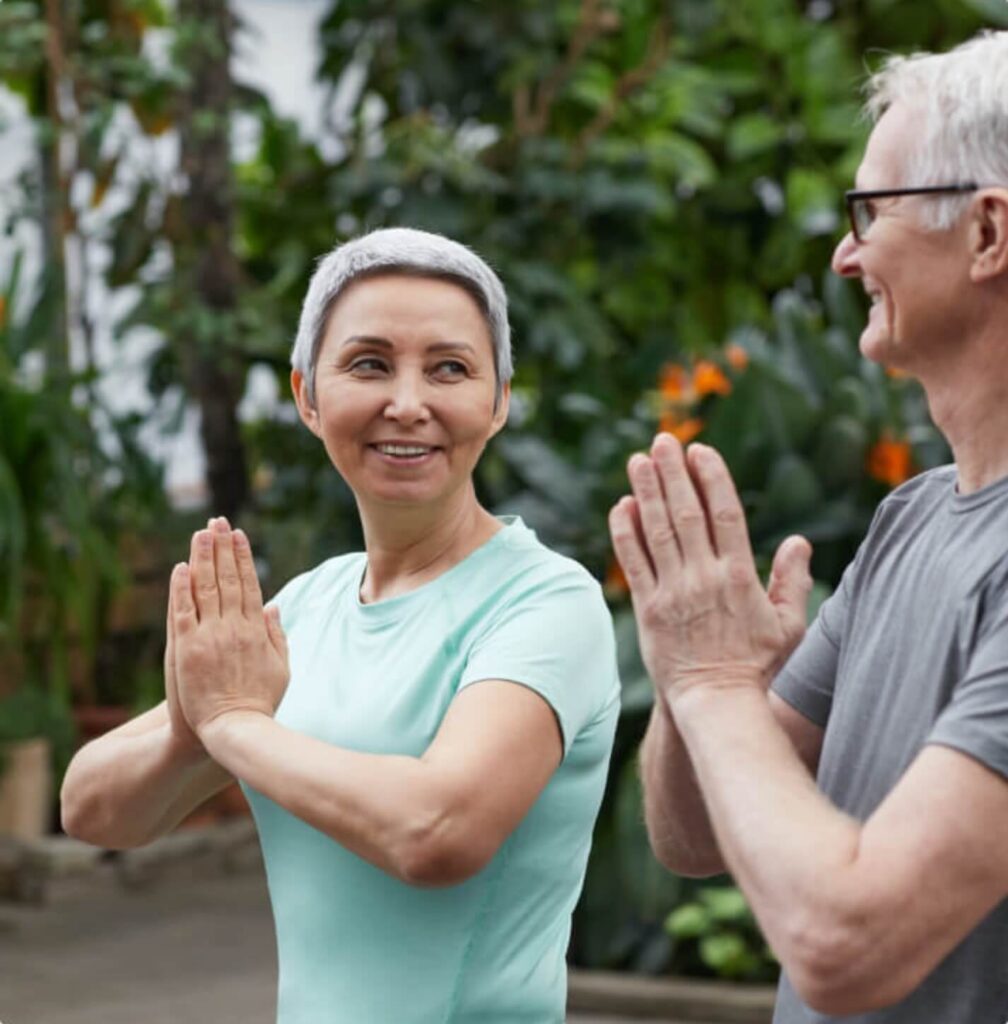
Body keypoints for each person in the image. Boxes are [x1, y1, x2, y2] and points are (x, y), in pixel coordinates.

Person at [61, 228, 620, 1023]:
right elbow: (92, 810)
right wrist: (194, 731)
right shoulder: (313, 605)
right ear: (307, 396)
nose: (408, 403)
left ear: (497, 403)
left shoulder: (545, 603)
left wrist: (232, 723)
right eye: (368, 363)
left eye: (450, 368)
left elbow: (439, 830)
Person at [609, 30, 1008, 1024]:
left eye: (868, 212)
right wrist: (700, 678)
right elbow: (691, 835)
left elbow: (844, 942)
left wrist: (711, 680)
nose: (844, 253)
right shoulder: (910, 520)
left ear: (988, 234)